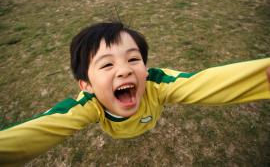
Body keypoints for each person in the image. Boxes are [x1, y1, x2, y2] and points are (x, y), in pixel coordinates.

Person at [0, 21, 269, 165]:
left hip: (146, 122)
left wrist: (264, 77)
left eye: (133, 59)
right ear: (87, 85)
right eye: (107, 64)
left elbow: (204, 84)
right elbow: (44, 127)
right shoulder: (88, 105)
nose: (124, 70)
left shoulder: (156, 84)